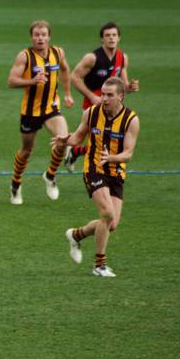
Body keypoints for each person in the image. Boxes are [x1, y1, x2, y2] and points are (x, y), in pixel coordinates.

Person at [53, 77, 140, 277]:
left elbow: (128, 154)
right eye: (103, 94)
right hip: (93, 169)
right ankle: (99, 265)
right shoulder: (91, 113)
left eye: (110, 95)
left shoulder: (131, 120)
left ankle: (76, 235)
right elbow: (78, 137)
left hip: (116, 172)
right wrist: (65, 141)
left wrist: (112, 158)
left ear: (121, 96)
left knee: (112, 224)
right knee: (107, 214)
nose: (105, 98)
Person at [7, 20, 74, 205]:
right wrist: (32, 81)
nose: (40, 38)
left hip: (51, 108)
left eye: (44, 34)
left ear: (49, 37)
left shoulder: (58, 53)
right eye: (37, 35)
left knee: (63, 140)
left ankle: (50, 176)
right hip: (30, 112)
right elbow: (11, 80)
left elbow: (66, 70)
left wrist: (67, 94)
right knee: (27, 150)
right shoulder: (25, 56)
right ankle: (15, 183)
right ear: (31, 37)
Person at [65, 22, 140, 172]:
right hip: (93, 107)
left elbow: (123, 86)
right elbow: (74, 77)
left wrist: (130, 88)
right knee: (99, 142)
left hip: (113, 108)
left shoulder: (122, 58)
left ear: (119, 38)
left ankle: (74, 152)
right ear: (102, 39)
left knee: (110, 142)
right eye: (107, 35)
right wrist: (92, 96)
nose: (111, 38)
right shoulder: (92, 58)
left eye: (114, 35)